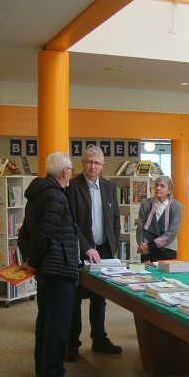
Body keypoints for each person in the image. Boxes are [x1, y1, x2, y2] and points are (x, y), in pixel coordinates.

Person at [17, 152, 80, 377]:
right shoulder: (56, 196)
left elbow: (25, 233)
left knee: (45, 319)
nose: (72, 175)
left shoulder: (36, 195)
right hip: (58, 268)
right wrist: (33, 261)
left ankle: (42, 368)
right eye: (71, 170)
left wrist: (30, 260)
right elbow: (44, 234)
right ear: (65, 172)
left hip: (46, 269)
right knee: (59, 324)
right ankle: (53, 374)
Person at [66, 145, 122, 361]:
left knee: (100, 298)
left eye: (97, 163)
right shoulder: (72, 187)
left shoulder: (109, 186)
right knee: (75, 300)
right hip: (81, 252)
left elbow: (115, 219)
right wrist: (86, 247)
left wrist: (113, 244)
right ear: (82, 163)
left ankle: (99, 339)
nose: (92, 166)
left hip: (105, 252)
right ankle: (73, 344)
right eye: (89, 162)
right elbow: (71, 223)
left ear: (102, 165)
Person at [136, 175, 182, 262]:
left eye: (162, 186)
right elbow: (140, 227)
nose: (158, 188)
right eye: (156, 185)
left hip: (167, 249)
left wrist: (151, 246)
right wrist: (142, 246)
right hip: (146, 249)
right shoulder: (145, 203)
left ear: (169, 190)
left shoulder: (176, 206)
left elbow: (173, 231)